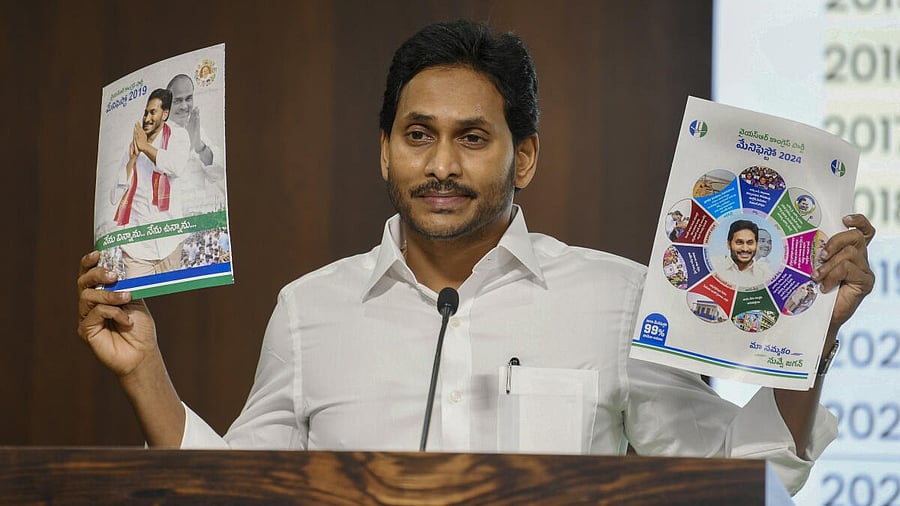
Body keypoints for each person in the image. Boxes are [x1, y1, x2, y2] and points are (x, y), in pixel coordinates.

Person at [78, 20, 876, 495]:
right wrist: (145, 371)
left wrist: (812, 339)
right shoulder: (307, 310)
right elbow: (232, 493)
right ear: (385, 153)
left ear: (522, 158)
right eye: (418, 135)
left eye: (473, 138)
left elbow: (741, 467)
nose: (442, 166)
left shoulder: (617, 297)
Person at [109, 89, 191, 277]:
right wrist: (132, 159)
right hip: (137, 250)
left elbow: (175, 166)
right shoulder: (132, 147)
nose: (146, 118)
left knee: (170, 305)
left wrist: (145, 147)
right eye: (146, 112)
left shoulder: (178, 136)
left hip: (170, 244)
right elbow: (114, 197)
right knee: (133, 304)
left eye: (152, 112)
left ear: (165, 114)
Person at [165, 74, 226, 215]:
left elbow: (218, 173)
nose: (185, 106)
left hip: (199, 215)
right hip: (172, 219)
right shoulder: (158, 133)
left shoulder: (198, 129)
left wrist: (199, 145)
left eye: (188, 98)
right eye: (178, 101)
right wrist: (188, 144)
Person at [712, 219, 774, 288]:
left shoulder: (765, 275)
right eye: (739, 242)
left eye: (750, 243)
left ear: (756, 245)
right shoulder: (713, 266)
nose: (745, 249)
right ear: (729, 244)